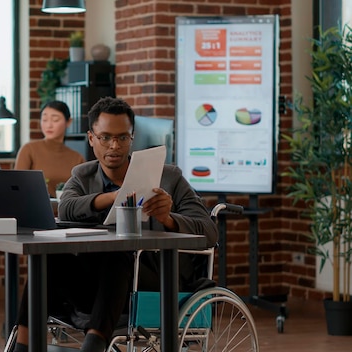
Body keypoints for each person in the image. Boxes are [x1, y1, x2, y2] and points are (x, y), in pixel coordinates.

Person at [12, 96, 218, 352]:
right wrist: (114, 197)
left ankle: (94, 346)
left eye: (123, 138)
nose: (114, 146)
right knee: (48, 255)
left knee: (118, 252)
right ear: (91, 138)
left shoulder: (169, 177)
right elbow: (66, 206)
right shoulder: (83, 175)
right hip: (98, 284)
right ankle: (22, 345)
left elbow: (209, 231)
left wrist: (169, 218)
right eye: (105, 137)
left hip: (154, 278)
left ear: (132, 138)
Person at [14, 100, 85, 197]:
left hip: (67, 211)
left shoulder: (77, 158)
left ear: (68, 122)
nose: (49, 125)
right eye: (44, 120)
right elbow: (16, 187)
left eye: (55, 120)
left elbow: (83, 194)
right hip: (35, 210)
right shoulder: (29, 150)